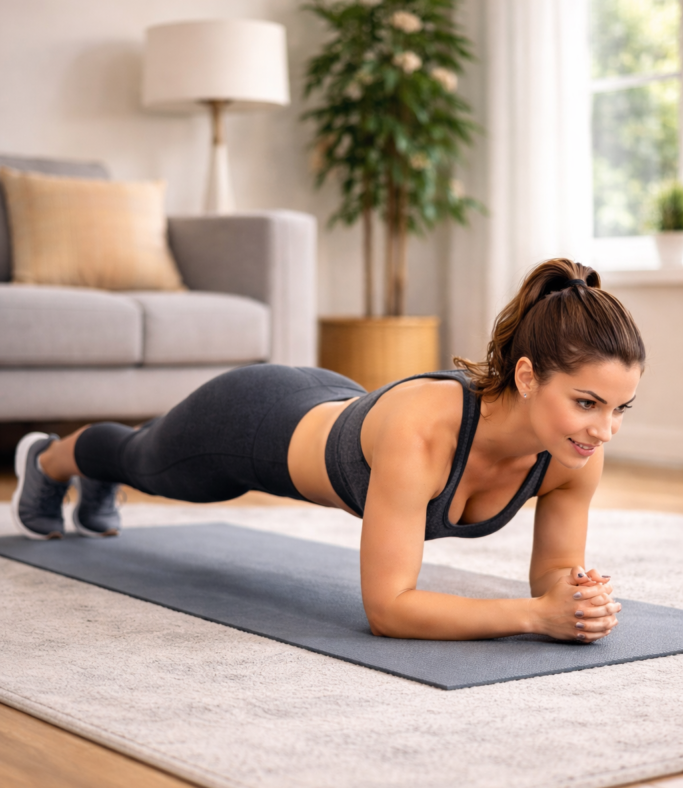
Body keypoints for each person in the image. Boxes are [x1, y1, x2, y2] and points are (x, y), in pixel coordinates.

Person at [12, 258, 644, 645]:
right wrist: (537, 618)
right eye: (587, 403)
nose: (603, 431)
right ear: (529, 377)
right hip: (254, 422)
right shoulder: (426, 431)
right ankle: (49, 459)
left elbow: (554, 573)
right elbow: (389, 609)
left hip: (334, 404)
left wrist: (576, 601)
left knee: (140, 458)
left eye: (620, 409)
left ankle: (93, 480)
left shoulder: (573, 455)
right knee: (145, 460)